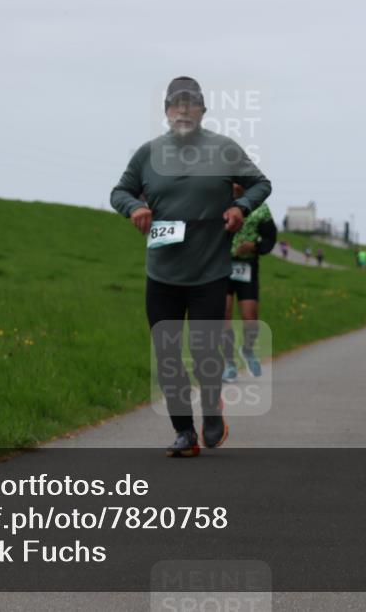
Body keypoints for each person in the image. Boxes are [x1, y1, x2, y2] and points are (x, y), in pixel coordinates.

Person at [111, 76, 272, 457]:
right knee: (167, 356)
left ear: (202, 110)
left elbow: (260, 184)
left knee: (204, 353)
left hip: (210, 272)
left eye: (191, 103)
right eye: (176, 103)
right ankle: (184, 431)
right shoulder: (148, 154)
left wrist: (239, 207)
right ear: (166, 111)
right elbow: (119, 191)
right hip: (162, 273)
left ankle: (211, 409)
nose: (183, 109)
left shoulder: (223, 149)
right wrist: (135, 208)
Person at [222, 185, 277, 382]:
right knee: (224, 315)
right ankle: (229, 364)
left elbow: (271, 238)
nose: (237, 185)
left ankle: (247, 349)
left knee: (250, 318)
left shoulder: (259, 207)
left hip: (247, 267)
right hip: (222, 266)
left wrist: (253, 246)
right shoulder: (219, 200)